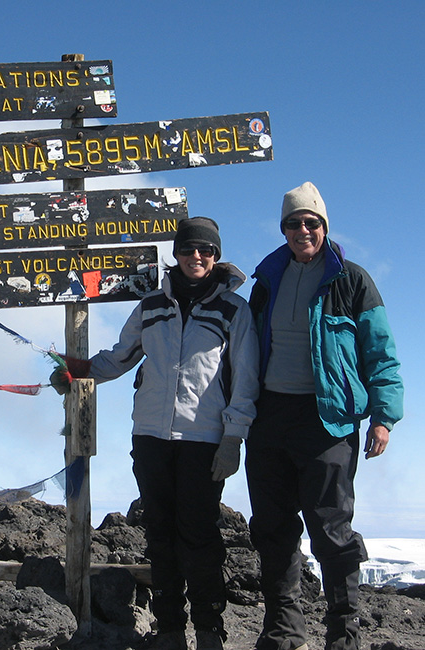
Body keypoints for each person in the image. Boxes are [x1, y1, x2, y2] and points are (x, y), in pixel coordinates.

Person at [52, 217, 259, 650]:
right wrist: (77, 372)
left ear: (217, 256)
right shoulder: (151, 305)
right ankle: (168, 631)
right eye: (188, 250)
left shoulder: (234, 311)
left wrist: (233, 438)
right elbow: (120, 358)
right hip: (149, 437)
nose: (196, 257)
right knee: (159, 534)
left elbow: (245, 379)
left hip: (204, 440)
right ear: (176, 255)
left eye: (205, 250)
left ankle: (208, 630)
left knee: (200, 535)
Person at [246, 182, 404, 650]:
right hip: (269, 416)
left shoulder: (350, 279)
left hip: (327, 420)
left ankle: (343, 634)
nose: (302, 231)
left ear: (324, 226)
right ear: (284, 229)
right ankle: (283, 631)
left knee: (331, 529)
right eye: (293, 223)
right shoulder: (267, 279)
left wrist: (383, 417)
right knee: (272, 528)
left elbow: (382, 354)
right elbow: (245, 348)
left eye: (311, 223)